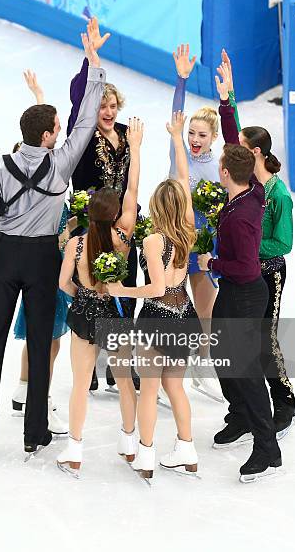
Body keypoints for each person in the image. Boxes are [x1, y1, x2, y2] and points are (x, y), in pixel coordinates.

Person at [0, 34, 105, 454]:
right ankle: (33, 433)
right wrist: (94, 68)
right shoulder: (59, 165)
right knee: (40, 347)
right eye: (56, 128)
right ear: (45, 137)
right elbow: (87, 123)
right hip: (41, 258)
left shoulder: (0, 165)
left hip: (4, 256)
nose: (61, 131)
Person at [197, 66, 282, 483]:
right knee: (221, 356)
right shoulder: (253, 186)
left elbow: (246, 266)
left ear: (225, 174)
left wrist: (209, 264)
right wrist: (227, 101)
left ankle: (268, 449)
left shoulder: (240, 219)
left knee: (244, 369)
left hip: (246, 290)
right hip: (238, 291)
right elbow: (236, 146)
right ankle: (242, 417)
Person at [108, 111, 200, 482]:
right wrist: (177, 139)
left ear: (157, 208)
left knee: (149, 390)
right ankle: (187, 448)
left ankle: (145, 456)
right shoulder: (189, 229)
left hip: (158, 320)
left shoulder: (153, 240)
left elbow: (157, 288)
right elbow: (183, 180)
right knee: (174, 386)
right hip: (187, 316)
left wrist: (122, 289)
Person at [56, 118, 143, 477]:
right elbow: (134, 190)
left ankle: (75, 450)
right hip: (116, 312)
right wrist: (135, 149)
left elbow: (64, 284)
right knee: (124, 379)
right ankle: (129, 443)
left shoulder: (76, 243)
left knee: (80, 383)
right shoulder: (123, 238)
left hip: (85, 313)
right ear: (116, 214)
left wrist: (85, 295)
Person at [216, 59, 295, 439]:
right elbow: (233, 139)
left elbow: (284, 242)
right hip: (243, 272)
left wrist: (247, 246)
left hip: (268, 271)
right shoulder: (249, 181)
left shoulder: (275, 193)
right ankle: (246, 409)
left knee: (265, 339)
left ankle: (284, 402)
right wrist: (228, 99)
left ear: (258, 154)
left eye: (244, 150)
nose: (235, 152)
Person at [67, 17, 139, 392]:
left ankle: (119, 361)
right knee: (93, 289)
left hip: (124, 226)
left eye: (112, 105)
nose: (107, 111)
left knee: (127, 284)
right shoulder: (81, 138)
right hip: (93, 224)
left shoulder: (128, 134)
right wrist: (90, 59)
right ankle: (89, 359)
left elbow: (131, 180)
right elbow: (80, 96)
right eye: (101, 106)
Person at [169, 45, 241, 402]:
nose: (194, 140)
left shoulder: (221, 164)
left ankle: (202, 367)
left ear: (212, 138)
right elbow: (176, 117)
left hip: (205, 245)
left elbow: (235, 137)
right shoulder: (178, 152)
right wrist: (181, 81)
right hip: (173, 240)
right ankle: (156, 371)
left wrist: (228, 97)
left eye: (201, 135)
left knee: (206, 308)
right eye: (191, 133)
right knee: (166, 303)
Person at [10, 71, 72, 435]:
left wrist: (37, 95)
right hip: (49, 262)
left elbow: (38, 132)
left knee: (41, 333)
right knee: (49, 339)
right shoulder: (46, 169)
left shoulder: (29, 157)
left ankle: (23, 389)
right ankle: (41, 399)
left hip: (36, 259)